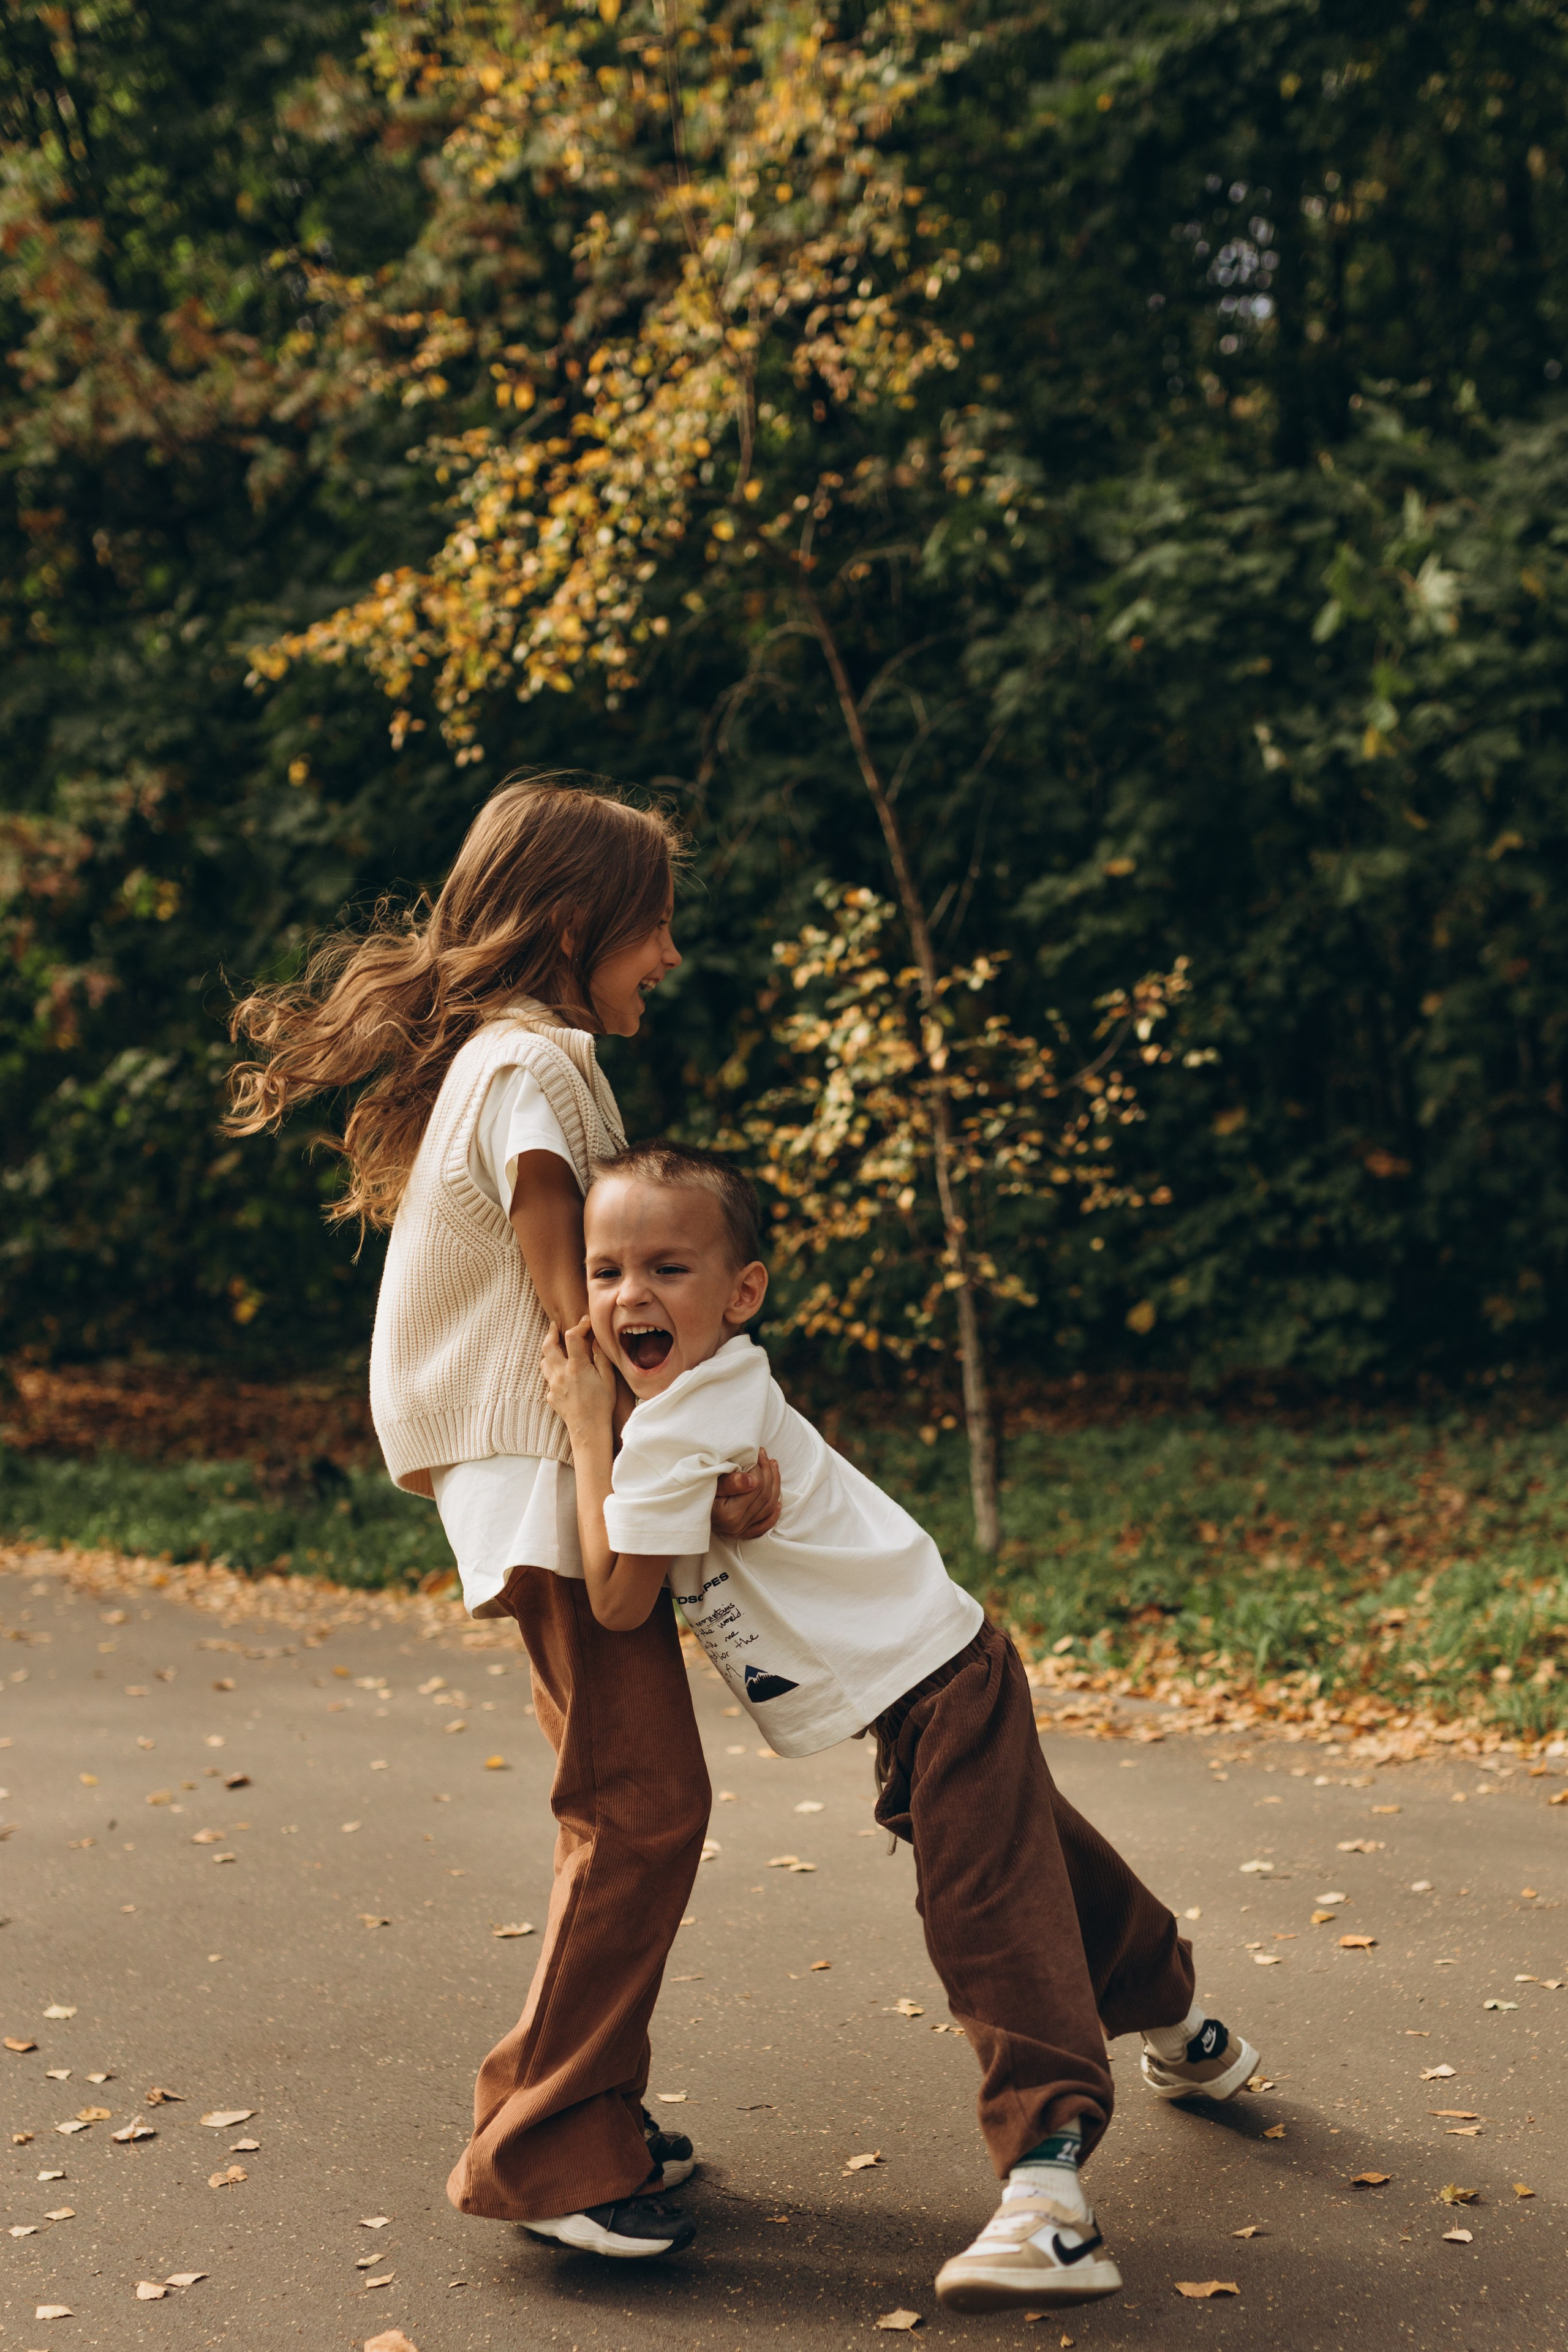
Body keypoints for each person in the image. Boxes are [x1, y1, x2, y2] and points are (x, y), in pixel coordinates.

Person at [541, 1138, 1261, 2313]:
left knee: (988, 1920)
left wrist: (585, 1426)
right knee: (1049, 1875)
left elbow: (620, 1595)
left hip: (935, 1683)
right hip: (936, 1670)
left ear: (743, 1290)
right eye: (606, 1271)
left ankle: (1049, 2197)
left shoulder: (667, 1427)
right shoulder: (713, 1390)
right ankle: (1187, 2025)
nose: (631, 1297)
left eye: (668, 1268)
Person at [225, 777, 780, 2264]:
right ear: (571, 925)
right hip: (545, 1475)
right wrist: (687, 1454)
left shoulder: (517, 1059)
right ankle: (546, 2152)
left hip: (538, 1473)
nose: (668, 957)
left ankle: (570, 2106)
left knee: (623, 1803)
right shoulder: (533, 1071)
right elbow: (579, 1314)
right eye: (653, 929)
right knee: (638, 1806)